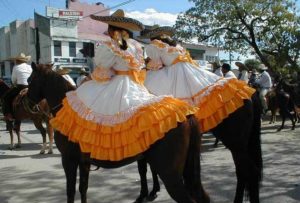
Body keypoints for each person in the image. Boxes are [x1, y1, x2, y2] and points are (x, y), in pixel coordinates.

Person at [50, 9, 196, 162]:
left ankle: (95, 153)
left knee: (89, 110)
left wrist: (94, 78)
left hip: (118, 83)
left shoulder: (110, 46)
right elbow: (140, 68)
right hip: (133, 84)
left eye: (108, 27)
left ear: (111, 29)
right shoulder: (136, 46)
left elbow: (103, 71)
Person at [141, 26, 255, 132]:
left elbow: (155, 65)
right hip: (189, 70)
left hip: (174, 72)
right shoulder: (178, 47)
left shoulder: (155, 46)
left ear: (155, 38)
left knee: (149, 88)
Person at [2, 53, 32, 121]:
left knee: (6, 97)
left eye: (16, 60)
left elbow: (13, 80)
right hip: (30, 87)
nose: (15, 61)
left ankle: (8, 115)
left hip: (21, 87)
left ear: (18, 61)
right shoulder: (30, 67)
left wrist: (15, 83)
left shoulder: (16, 67)